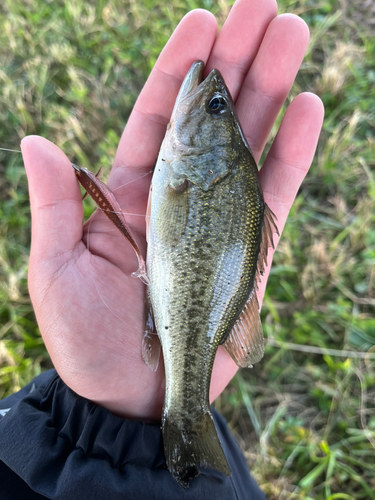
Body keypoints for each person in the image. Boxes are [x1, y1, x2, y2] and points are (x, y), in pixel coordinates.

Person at [0, 0, 324, 498]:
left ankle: (184, 413)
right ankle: (186, 420)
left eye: (217, 107)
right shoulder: (202, 173)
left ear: (213, 157)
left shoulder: (198, 173)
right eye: (221, 105)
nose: (212, 94)